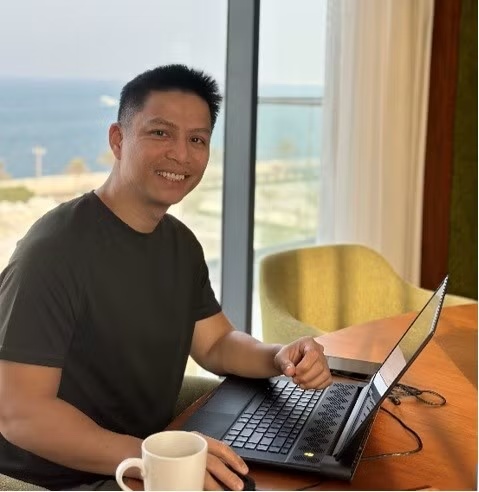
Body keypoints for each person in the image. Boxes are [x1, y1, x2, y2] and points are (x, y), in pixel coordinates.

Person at [0, 64, 332, 491]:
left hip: (145, 456)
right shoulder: (53, 251)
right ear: (118, 140)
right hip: (60, 479)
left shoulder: (179, 243)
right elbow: (22, 414)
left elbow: (215, 343)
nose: (181, 154)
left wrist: (280, 357)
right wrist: (157, 458)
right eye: (160, 133)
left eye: (197, 140)